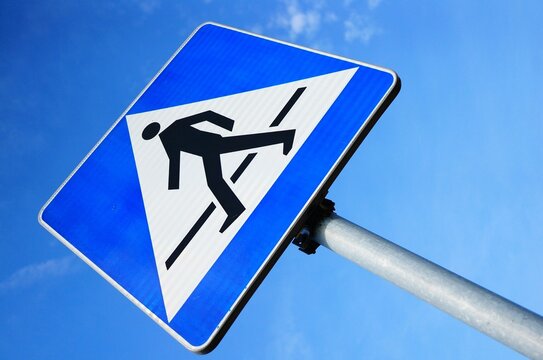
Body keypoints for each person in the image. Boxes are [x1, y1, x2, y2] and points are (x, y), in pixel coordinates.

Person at [142, 110, 296, 233]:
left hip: (210, 145)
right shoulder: (169, 135)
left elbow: (205, 115)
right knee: (244, 147)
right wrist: (173, 186)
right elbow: (174, 161)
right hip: (207, 149)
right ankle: (284, 136)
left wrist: (229, 124)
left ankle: (234, 209)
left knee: (215, 180)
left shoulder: (171, 132)